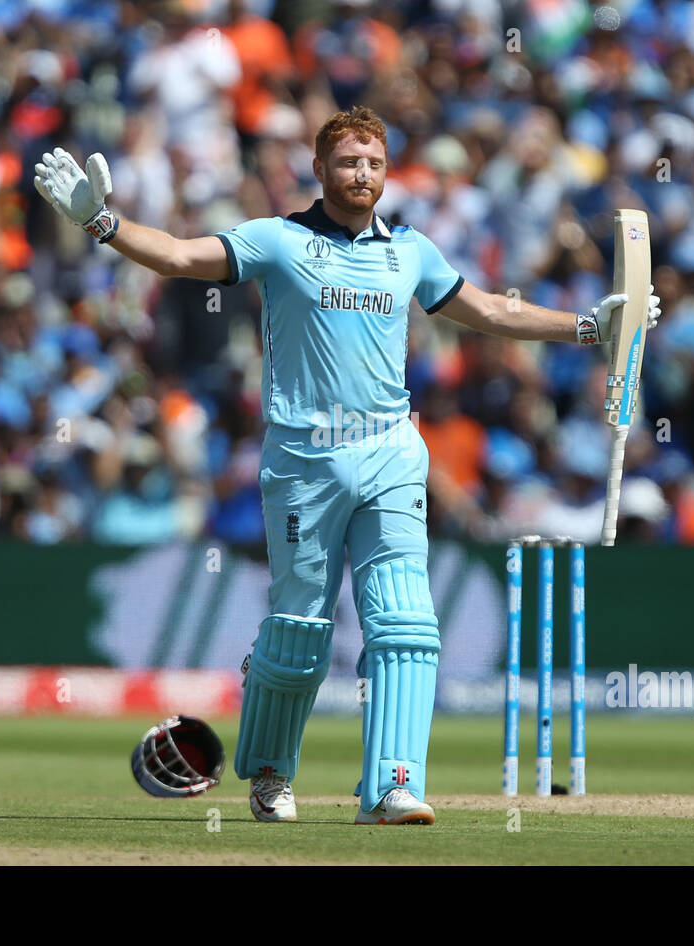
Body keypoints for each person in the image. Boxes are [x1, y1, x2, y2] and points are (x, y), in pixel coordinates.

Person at [33, 106, 660, 825]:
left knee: (406, 622)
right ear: (320, 170)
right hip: (304, 461)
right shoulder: (279, 240)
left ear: (386, 173)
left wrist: (589, 327)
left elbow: (489, 309)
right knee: (299, 629)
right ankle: (269, 773)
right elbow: (179, 256)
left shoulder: (411, 251)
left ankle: (392, 787)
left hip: (392, 452)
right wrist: (101, 224)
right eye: (347, 162)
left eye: (373, 163)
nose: (361, 174)